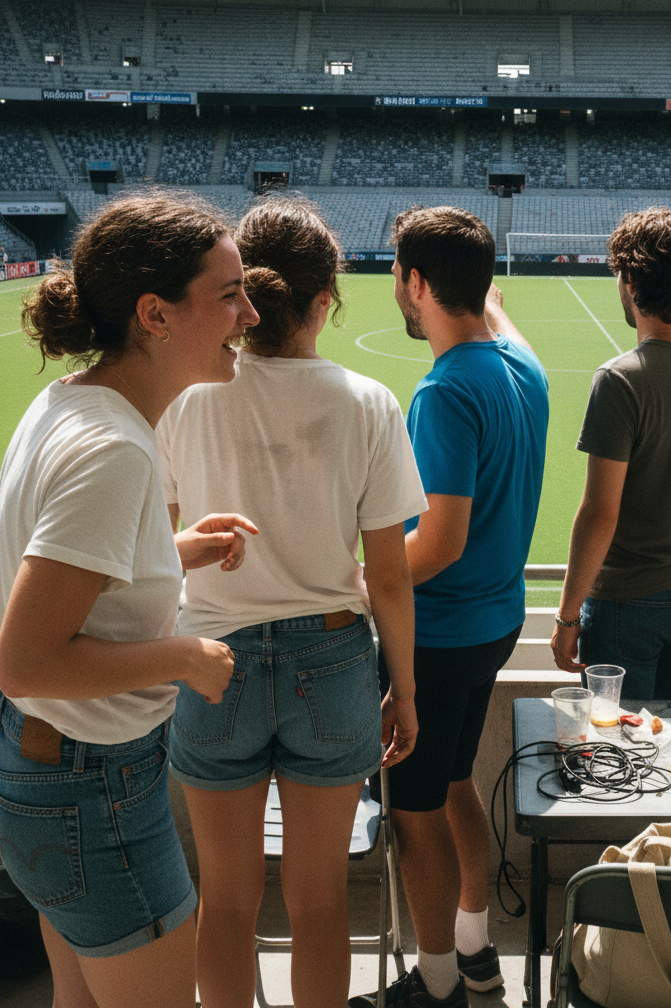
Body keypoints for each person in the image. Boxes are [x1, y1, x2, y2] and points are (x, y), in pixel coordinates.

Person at [156, 198, 423, 1008]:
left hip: (212, 663)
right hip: (333, 662)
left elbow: (164, 547)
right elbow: (387, 576)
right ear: (325, 300)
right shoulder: (368, 400)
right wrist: (403, 692)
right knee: (321, 906)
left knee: (226, 903)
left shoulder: (186, 396)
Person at [0, 193, 258, 1007]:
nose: (249, 312)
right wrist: (185, 655)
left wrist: (172, 552)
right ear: (154, 313)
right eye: (228, 294)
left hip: (51, 772)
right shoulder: (113, 449)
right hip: (89, 787)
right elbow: (26, 658)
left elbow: (65, 577)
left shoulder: (74, 403)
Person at [358, 205, 548, 1008]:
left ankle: (435, 986)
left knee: (415, 809)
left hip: (439, 635)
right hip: (495, 623)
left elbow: (437, 542)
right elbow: (494, 310)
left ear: (415, 283)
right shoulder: (520, 366)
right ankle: (472, 944)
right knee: (456, 780)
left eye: (401, 278)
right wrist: (478, 284)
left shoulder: (442, 393)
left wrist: (356, 581)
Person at [550, 207, 671, 700]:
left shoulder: (621, 378)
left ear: (632, 280)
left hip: (631, 600)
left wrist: (568, 616)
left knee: (623, 756)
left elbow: (599, 511)